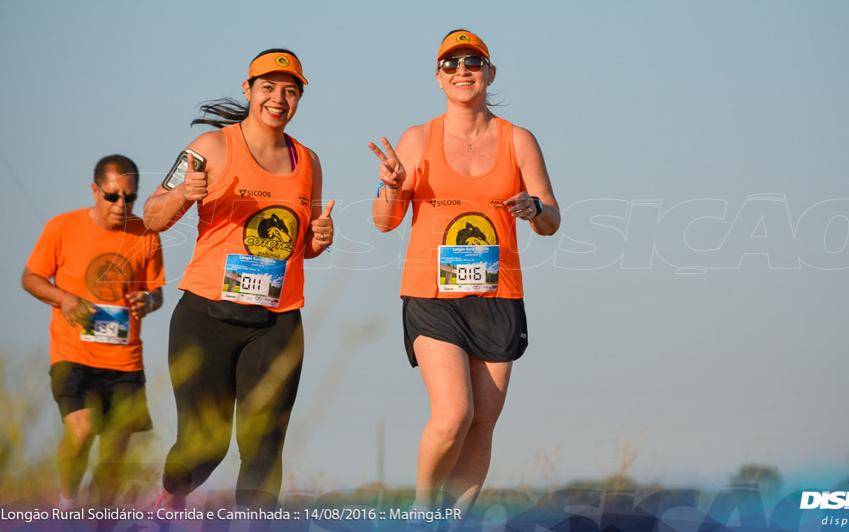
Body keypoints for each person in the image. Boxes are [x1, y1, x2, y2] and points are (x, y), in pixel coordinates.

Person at [368, 29, 561, 522]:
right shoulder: (418, 139)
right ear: (438, 78)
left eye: (472, 62)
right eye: (451, 64)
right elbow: (384, 221)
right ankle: (420, 510)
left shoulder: (519, 140)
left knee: (482, 424)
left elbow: (551, 221)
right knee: (455, 415)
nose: (462, 71)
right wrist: (391, 186)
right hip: (432, 295)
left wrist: (534, 206)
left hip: (498, 295)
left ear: (489, 73)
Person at [143, 48, 333, 511]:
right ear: (248, 91)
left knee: (265, 444)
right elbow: (151, 216)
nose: (279, 98)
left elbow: (298, 244)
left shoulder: (308, 162)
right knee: (206, 447)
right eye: (268, 87)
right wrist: (184, 194)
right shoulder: (211, 148)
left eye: (290, 91)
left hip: (277, 320)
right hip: (206, 316)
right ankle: (167, 499)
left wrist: (319, 240)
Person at [22, 154, 165, 509]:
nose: (121, 204)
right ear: (95, 190)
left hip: (125, 361)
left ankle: (101, 518)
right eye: (112, 195)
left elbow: (157, 291)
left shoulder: (146, 234)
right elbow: (31, 278)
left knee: (115, 455)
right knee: (82, 432)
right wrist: (63, 298)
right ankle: (67, 502)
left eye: (129, 197)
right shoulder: (62, 227)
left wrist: (146, 300)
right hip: (74, 355)